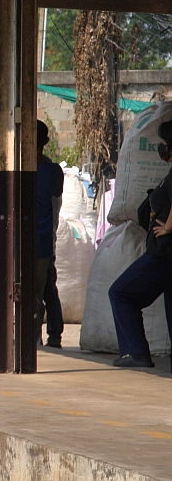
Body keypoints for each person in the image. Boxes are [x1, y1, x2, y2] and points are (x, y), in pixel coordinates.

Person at [108, 120, 172, 369]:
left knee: (121, 293)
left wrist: (166, 226)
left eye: (165, 144)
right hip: (164, 254)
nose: (162, 148)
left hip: (164, 254)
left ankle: (136, 352)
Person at [36, 120, 65, 348]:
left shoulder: (15, 172)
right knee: (48, 289)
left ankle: (33, 335)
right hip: (45, 241)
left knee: (32, 292)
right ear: (46, 142)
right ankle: (54, 336)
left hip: (27, 243)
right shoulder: (53, 171)